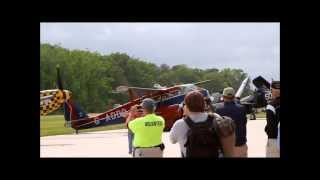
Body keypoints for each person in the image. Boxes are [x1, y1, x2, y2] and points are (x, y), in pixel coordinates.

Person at [169, 91, 236, 158]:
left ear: (186, 106)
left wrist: (185, 115)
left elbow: (172, 140)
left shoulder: (179, 124)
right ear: (203, 104)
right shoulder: (215, 117)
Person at [214, 87, 248, 157]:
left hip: (225, 147)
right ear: (234, 96)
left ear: (223, 97)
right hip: (240, 145)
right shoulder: (242, 108)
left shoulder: (218, 109)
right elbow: (244, 122)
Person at [265, 81, 280, 157]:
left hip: (274, 139)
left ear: (273, 91)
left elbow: (270, 127)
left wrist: (266, 129)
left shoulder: (271, 106)